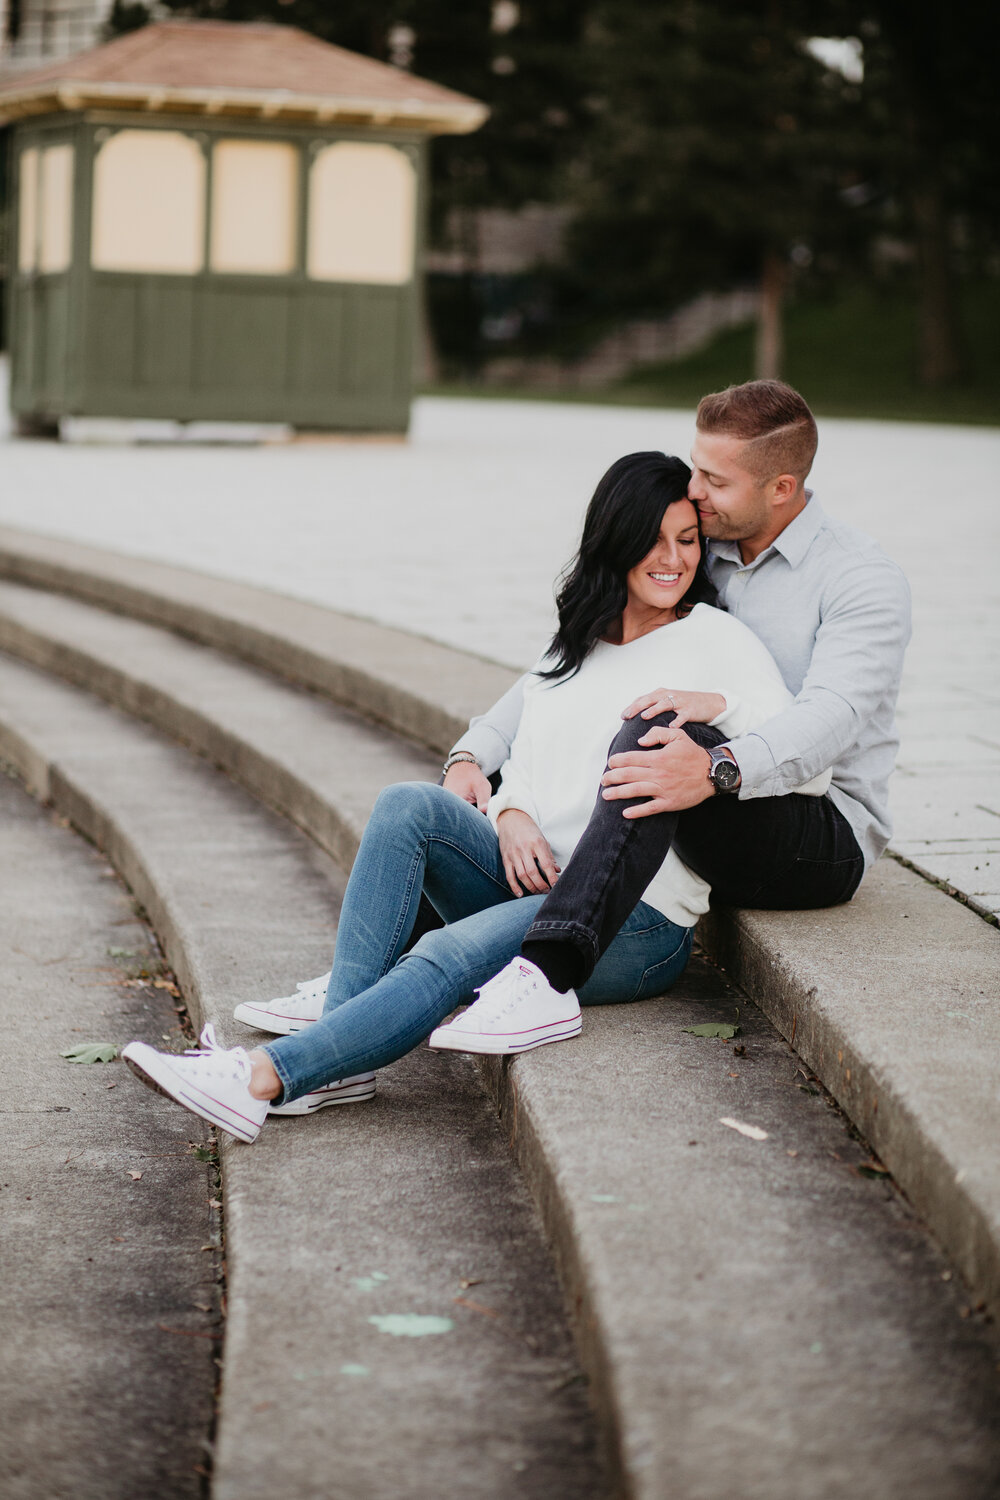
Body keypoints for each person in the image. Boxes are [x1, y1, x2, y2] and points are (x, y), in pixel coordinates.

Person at [122, 449, 830, 1143]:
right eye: (652, 540)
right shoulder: (579, 642)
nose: (673, 559)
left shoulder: (716, 641)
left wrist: (721, 708)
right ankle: (341, 1051)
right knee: (408, 805)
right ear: (613, 543)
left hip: (632, 922)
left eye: (687, 539)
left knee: (450, 948)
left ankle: (261, 1078)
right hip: (533, 873)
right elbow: (527, 755)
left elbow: (803, 765)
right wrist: (510, 811)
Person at [445, 378, 912, 1007]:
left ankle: (546, 968)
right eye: (697, 468)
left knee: (663, 739)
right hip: (705, 797)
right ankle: (403, 972)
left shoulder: (859, 578)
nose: (694, 491)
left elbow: (833, 718)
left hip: (816, 828)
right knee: (488, 793)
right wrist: (475, 755)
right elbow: (568, 662)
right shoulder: (695, 541)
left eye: (715, 480)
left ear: (781, 488)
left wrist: (718, 768)